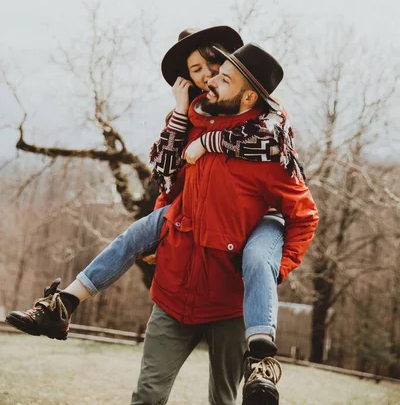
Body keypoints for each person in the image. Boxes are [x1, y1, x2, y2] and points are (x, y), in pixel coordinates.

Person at [7, 28, 318, 405]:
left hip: (230, 302)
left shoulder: (267, 146)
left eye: (217, 69)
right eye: (198, 71)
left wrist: (270, 271)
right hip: (175, 293)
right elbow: (168, 187)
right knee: (147, 395)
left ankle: (261, 361)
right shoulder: (189, 123)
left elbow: (302, 215)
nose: (209, 78)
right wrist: (160, 235)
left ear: (240, 82)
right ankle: (63, 304)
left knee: (224, 399)